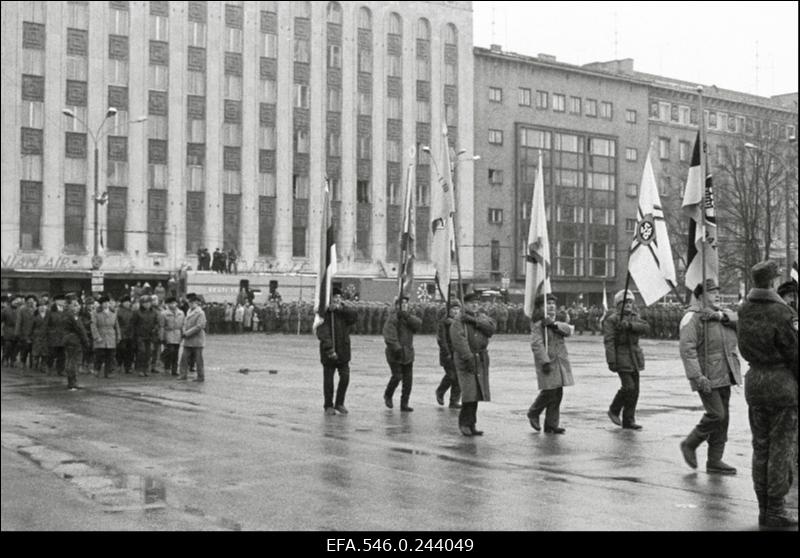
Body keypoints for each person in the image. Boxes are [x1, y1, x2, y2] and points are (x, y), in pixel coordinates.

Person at [737, 261, 798, 528]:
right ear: (773, 282)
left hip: (755, 382)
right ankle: (776, 508)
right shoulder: (781, 312)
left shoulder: (743, 309)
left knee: (760, 446)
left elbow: (743, 346)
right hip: (781, 383)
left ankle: (764, 507)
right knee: (781, 448)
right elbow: (793, 352)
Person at [678, 280, 741, 474]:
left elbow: (740, 321)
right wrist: (697, 377)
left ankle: (715, 460)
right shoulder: (692, 317)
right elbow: (687, 350)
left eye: (716, 291)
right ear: (699, 296)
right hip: (707, 375)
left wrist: (719, 316)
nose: (715, 295)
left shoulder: (722, 314)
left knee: (724, 419)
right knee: (716, 414)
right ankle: (690, 443)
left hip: (726, 372)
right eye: (710, 292)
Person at [450, 292, 497, 436]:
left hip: (480, 360)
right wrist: (468, 357)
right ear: (465, 304)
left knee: (476, 394)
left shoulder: (480, 317)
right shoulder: (459, 321)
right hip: (466, 361)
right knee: (469, 393)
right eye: (471, 303)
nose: (475, 305)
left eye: (477, 302)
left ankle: (472, 424)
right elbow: (459, 340)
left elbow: (491, 329)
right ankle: (464, 423)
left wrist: (474, 321)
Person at [527, 294, 575, 434]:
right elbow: (537, 344)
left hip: (560, 362)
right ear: (541, 307)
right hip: (548, 362)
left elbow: (569, 331)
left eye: (553, 303)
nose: (552, 306)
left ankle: (551, 425)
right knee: (549, 391)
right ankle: (533, 412)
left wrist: (554, 325)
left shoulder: (558, 321)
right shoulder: (538, 324)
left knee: (558, 393)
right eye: (548, 303)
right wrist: (545, 361)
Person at [604, 289, 650, 430]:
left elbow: (646, 327)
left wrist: (630, 326)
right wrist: (611, 360)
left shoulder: (635, 317)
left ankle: (628, 420)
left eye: (630, 302)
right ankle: (614, 409)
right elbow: (609, 341)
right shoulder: (612, 319)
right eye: (625, 302)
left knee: (635, 390)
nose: (629, 304)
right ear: (618, 304)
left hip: (634, 356)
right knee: (628, 387)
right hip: (621, 355)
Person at [316, 288, 358, 415]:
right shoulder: (323, 313)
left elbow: (354, 316)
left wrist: (340, 309)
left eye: (339, 297)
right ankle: (328, 405)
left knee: (345, 377)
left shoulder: (343, 311)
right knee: (329, 380)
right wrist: (329, 349)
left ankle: (339, 403)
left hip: (343, 351)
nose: (337, 299)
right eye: (335, 297)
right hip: (330, 352)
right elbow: (322, 332)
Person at [382, 295, 423, 412]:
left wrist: (408, 317)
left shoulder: (408, 316)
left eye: (406, 303)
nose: (404, 305)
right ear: (396, 305)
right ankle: (388, 394)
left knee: (408, 381)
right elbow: (389, 335)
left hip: (408, 353)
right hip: (395, 353)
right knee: (397, 376)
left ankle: (404, 403)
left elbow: (418, 325)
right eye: (401, 303)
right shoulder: (392, 318)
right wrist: (396, 348)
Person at [435, 302, 462, 409]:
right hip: (448, 354)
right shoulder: (444, 322)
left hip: (459, 353)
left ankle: (454, 401)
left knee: (459, 378)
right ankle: (440, 391)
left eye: (457, 309)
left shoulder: (460, 322)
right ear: (448, 310)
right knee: (451, 376)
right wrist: (447, 353)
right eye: (453, 309)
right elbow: (442, 339)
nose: (455, 311)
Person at [63, 295, 90, 390]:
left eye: (77, 304)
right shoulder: (73, 316)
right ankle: (73, 382)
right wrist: (86, 341)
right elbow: (80, 329)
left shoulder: (65, 314)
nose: (78, 307)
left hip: (67, 339)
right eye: (75, 305)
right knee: (74, 362)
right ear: (70, 305)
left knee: (69, 360)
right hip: (74, 340)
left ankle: (71, 381)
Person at [179, 293, 206, 382]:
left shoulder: (200, 313)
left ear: (196, 303)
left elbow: (199, 326)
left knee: (198, 360)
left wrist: (186, 333)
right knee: (184, 358)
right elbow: (185, 323)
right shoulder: (189, 311)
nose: (190, 304)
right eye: (189, 302)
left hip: (197, 340)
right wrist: (183, 330)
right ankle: (183, 375)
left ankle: (200, 376)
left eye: (192, 302)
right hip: (188, 339)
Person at [90, 295, 120, 378]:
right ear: (101, 304)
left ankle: (109, 372)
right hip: (101, 335)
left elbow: (116, 325)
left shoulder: (113, 312)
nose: (106, 304)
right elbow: (93, 325)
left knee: (110, 356)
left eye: (107, 302)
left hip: (111, 336)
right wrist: (96, 336)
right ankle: (97, 370)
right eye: (104, 303)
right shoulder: (95, 313)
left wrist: (118, 336)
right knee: (99, 355)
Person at [131, 295, 159, 377]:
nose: (147, 304)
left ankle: (146, 369)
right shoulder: (137, 312)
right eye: (145, 303)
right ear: (141, 304)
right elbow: (133, 324)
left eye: (148, 302)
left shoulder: (154, 312)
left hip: (150, 335)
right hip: (140, 335)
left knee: (148, 353)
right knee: (141, 352)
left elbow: (156, 322)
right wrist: (134, 335)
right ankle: (140, 369)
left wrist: (155, 328)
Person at [160, 296, 184, 377]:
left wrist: (183, 334)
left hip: (177, 334)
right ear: (168, 304)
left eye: (174, 303)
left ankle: (174, 369)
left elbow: (183, 325)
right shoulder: (164, 313)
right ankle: (167, 367)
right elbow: (162, 326)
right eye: (170, 303)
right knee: (170, 351)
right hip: (168, 334)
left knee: (176, 353)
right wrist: (162, 337)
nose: (173, 305)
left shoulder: (181, 313)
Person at [14, 295, 36, 369]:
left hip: (33, 333)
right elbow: (18, 322)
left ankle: (32, 364)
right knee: (25, 349)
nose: (31, 303)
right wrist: (17, 333)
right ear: (26, 302)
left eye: (32, 302)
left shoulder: (35, 310)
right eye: (29, 302)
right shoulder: (22, 310)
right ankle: (23, 362)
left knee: (32, 349)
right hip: (24, 333)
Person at [115, 296, 135, 374]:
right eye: (126, 302)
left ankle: (128, 367)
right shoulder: (118, 311)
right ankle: (119, 365)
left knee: (130, 351)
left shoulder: (132, 311)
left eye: (128, 302)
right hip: (122, 333)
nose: (127, 303)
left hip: (130, 334)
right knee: (121, 350)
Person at [30, 298, 49, 372]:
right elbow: (31, 327)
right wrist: (30, 336)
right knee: (36, 353)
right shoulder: (34, 316)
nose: (42, 307)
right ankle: (35, 365)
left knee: (45, 353)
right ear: (38, 308)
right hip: (37, 336)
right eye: (40, 306)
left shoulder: (48, 315)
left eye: (44, 306)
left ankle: (43, 366)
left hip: (46, 336)